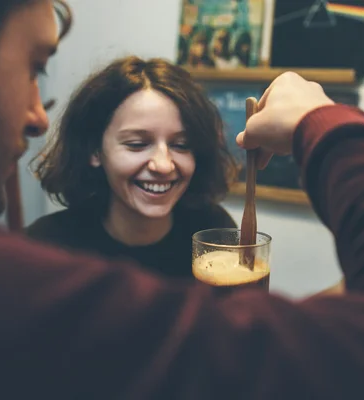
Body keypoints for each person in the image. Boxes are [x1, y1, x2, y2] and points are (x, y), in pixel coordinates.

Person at [0, 1, 364, 399]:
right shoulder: (6, 271)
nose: (40, 114)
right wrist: (321, 123)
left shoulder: (214, 227)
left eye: (182, 143)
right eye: (35, 67)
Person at [26, 56, 237, 279]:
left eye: (181, 145)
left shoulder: (214, 231)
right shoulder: (48, 246)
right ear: (95, 150)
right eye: (137, 145)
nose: (163, 165)